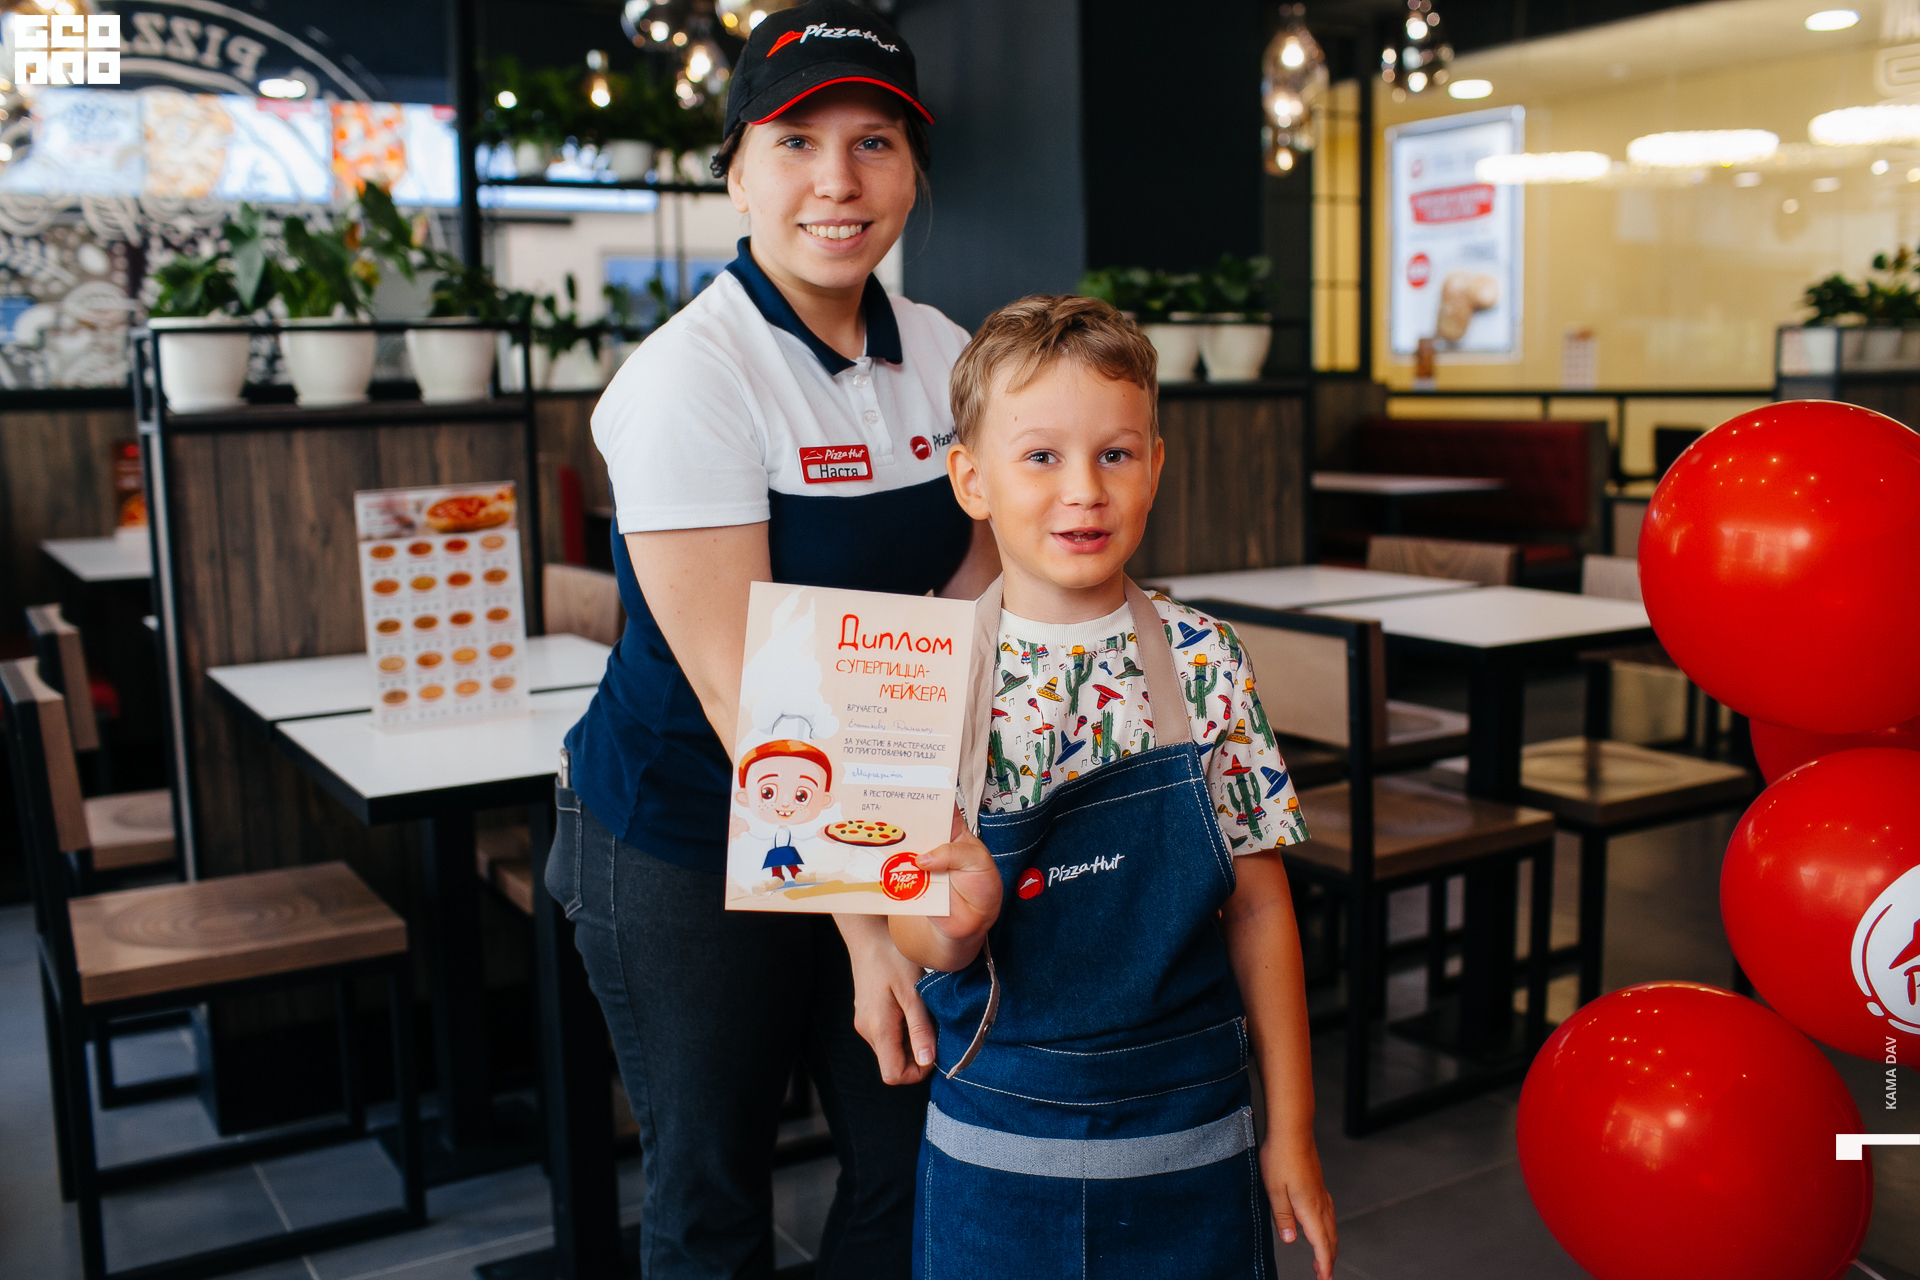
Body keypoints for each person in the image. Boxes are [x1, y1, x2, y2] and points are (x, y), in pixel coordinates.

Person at [547, 4, 997, 1276]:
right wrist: (870, 927)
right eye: (796, 142)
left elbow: (977, 586)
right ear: (737, 173)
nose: (836, 181)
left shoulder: (948, 355)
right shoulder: (690, 377)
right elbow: (743, 693)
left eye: (874, 142)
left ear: (912, 172)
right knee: (713, 1192)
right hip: (687, 833)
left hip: (877, 817)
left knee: (911, 1159)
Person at [891, 295, 1338, 1278]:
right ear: (971, 479)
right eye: (1041, 456)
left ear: (1156, 467)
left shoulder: (1207, 658)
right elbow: (916, 938)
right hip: (998, 1145)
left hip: (1193, 1136)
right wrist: (953, 922)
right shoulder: (925, 671)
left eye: (1116, 454)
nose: (1084, 491)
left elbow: (1260, 909)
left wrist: (1293, 1127)